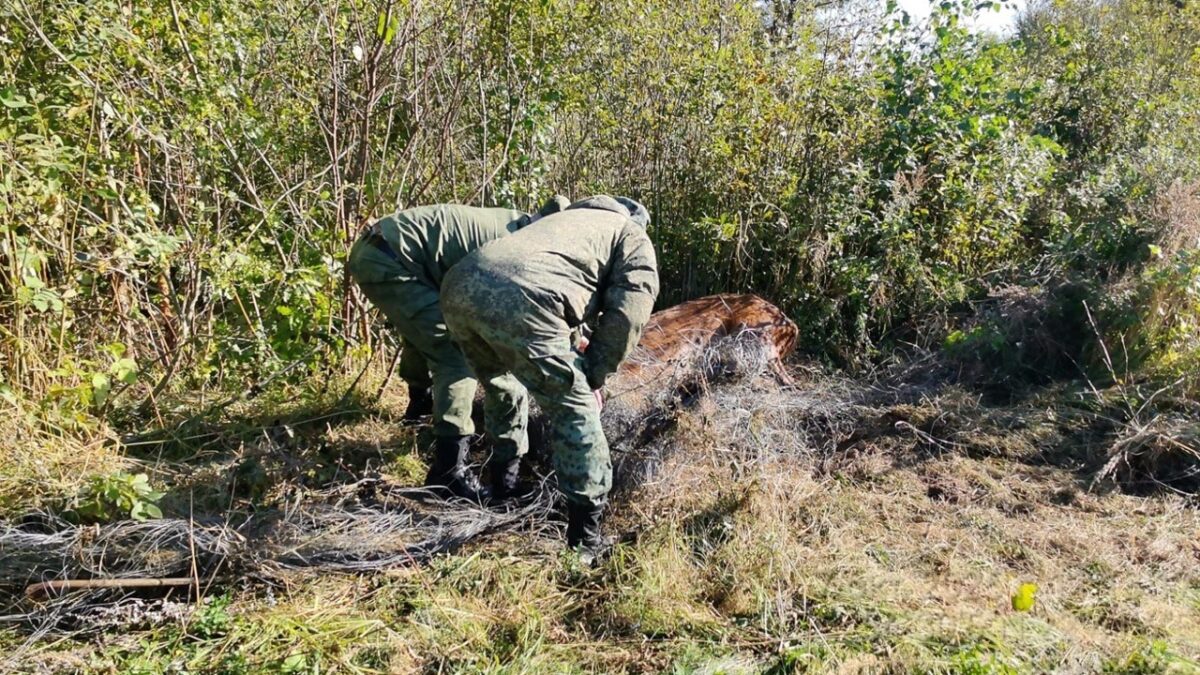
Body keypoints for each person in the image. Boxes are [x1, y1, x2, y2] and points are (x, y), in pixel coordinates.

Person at [441, 196, 659, 554]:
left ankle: (503, 485)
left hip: (459, 286)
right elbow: (627, 315)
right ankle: (585, 544)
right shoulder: (630, 234)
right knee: (575, 409)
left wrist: (575, 343)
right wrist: (593, 375)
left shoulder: (565, 220)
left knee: (502, 383)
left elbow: (547, 276)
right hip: (526, 297)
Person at [346, 198, 569, 500]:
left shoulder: (513, 223)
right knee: (454, 355)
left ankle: (419, 409)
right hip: (390, 260)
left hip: (379, 249)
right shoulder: (514, 252)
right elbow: (502, 343)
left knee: (425, 330)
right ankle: (449, 472)